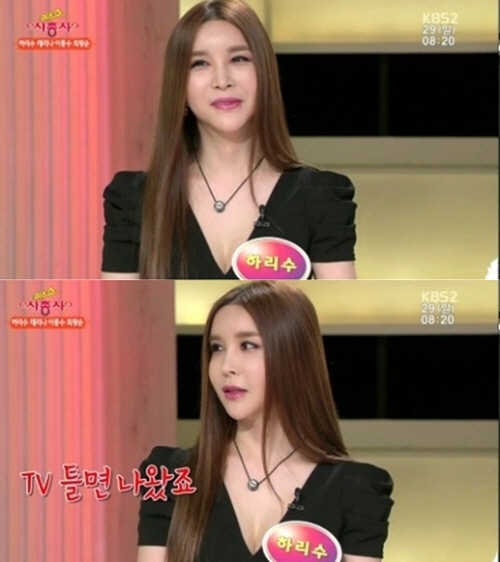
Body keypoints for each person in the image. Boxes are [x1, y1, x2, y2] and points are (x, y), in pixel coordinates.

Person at [137, 282, 393, 562]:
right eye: (217, 348)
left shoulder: (355, 491)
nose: (226, 366)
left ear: (293, 355)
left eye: (247, 345)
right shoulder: (170, 475)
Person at [102, 0, 357, 280]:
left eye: (238, 59)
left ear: (264, 72)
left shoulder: (319, 197)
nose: (222, 80)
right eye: (199, 63)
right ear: (179, 86)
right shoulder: (134, 200)